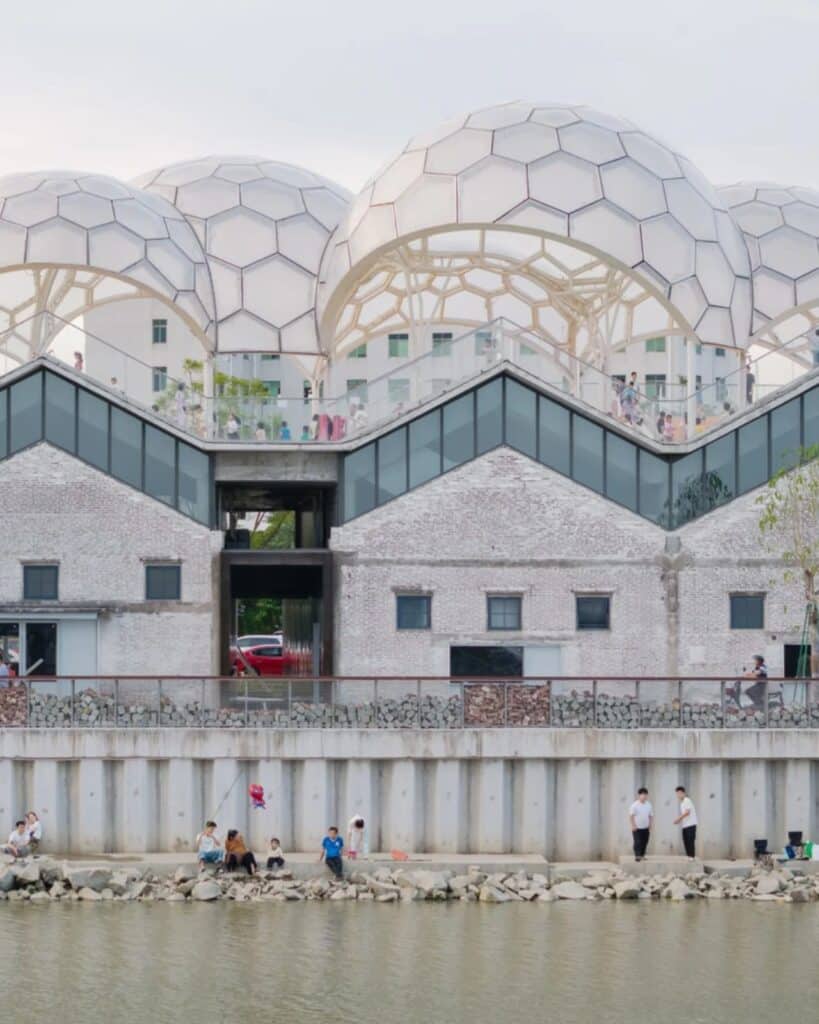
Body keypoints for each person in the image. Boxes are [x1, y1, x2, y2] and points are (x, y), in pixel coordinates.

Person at [673, 786, 698, 860]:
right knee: (686, 840)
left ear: (684, 793)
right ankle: (689, 856)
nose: (678, 795)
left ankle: (691, 856)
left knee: (690, 841)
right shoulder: (682, 803)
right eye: (677, 793)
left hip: (691, 824)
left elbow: (687, 812)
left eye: (680, 793)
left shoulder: (687, 800)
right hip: (685, 825)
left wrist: (678, 819)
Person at [629, 788, 653, 861]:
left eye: (645, 795)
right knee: (637, 842)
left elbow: (651, 815)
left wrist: (650, 824)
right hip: (637, 827)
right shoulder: (634, 805)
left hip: (645, 827)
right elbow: (631, 816)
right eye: (642, 794)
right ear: (639, 795)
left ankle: (642, 855)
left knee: (645, 842)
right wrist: (633, 825)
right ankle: (637, 856)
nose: (644, 796)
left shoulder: (649, 804)